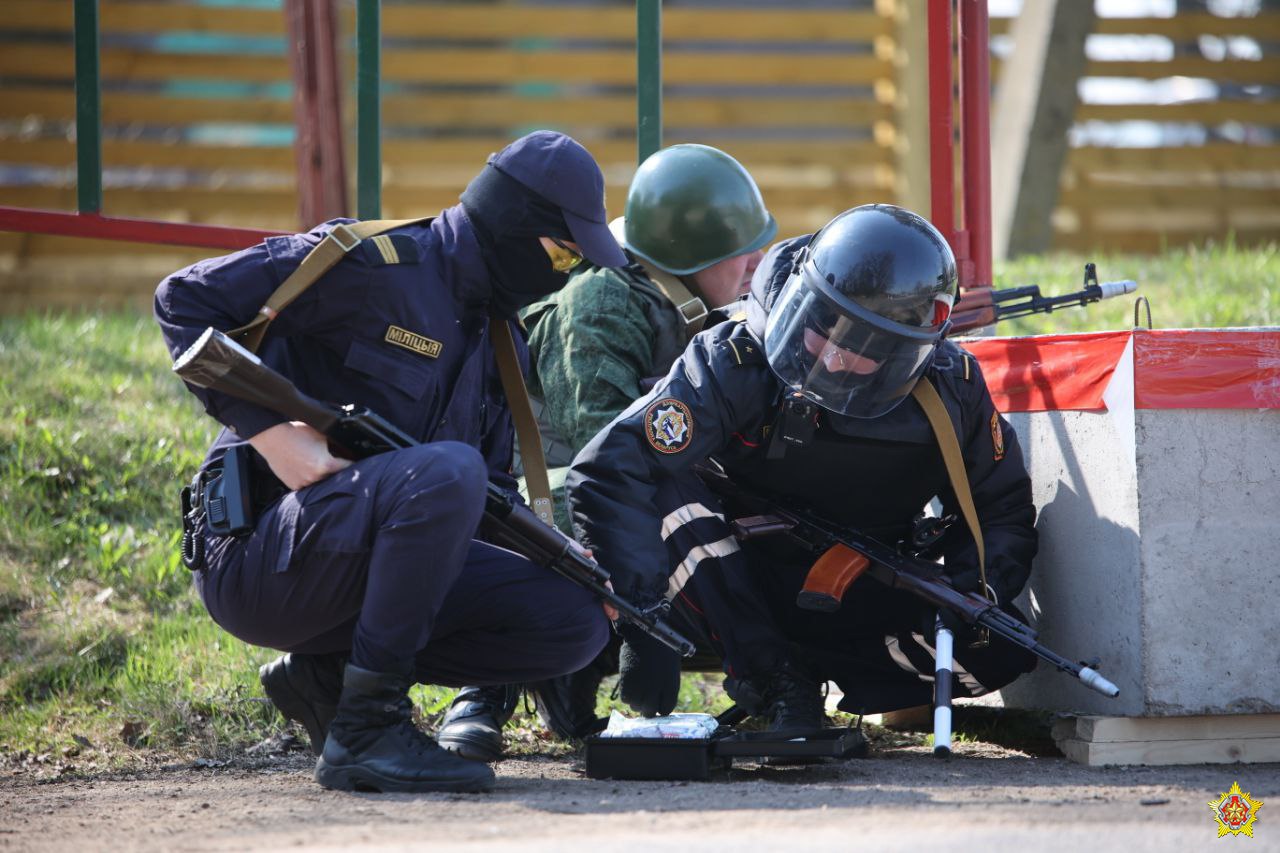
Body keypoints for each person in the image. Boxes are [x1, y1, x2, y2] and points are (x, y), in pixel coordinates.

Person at [154, 131, 624, 793]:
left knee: (572, 619)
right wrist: (270, 433)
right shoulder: (372, 263)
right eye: (561, 252)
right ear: (515, 226)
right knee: (450, 470)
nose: (566, 271)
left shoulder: (503, 345)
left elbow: (477, 505)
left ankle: (329, 677)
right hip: (258, 551)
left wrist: (564, 560)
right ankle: (368, 730)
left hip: (351, 574)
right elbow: (181, 300)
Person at [564, 204, 1039, 734]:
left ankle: (811, 679)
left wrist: (973, 594)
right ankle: (776, 682)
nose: (834, 358)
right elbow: (609, 468)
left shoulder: (952, 389)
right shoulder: (731, 359)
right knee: (669, 496)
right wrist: (642, 616)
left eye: (863, 346)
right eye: (822, 328)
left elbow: (1002, 509)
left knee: (1000, 647)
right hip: (720, 585)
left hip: (859, 586)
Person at [434, 143, 776, 757]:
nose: (755, 263)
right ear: (682, 258)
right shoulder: (601, 303)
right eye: (737, 252)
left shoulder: (704, 308)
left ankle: (771, 684)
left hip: (625, 499)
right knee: (565, 528)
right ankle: (485, 690)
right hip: (544, 506)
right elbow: (604, 456)